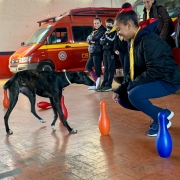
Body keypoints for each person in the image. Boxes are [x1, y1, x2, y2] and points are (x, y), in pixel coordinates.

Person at [112, 6, 180, 137]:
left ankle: (162, 121)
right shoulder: (133, 42)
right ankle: (162, 113)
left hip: (168, 79)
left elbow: (156, 70)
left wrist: (133, 85)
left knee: (134, 95)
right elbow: (132, 72)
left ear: (129, 25)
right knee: (123, 99)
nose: (118, 33)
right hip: (157, 76)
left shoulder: (148, 40)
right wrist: (121, 89)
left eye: (119, 29)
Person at [86, 17, 106, 90]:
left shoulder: (102, 30)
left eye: (97, 23)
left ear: (101, 23)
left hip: (98, 52)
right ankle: (96, 82)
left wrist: (91, 39)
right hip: (92, 51)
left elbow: (95, 37)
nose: (96, 24)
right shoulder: (94, 30)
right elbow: (88, 38)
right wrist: (91, 40)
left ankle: (97, 85)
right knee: (88, 66)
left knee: (97, 69)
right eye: (95, 23)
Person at [97, 18, 116, 92]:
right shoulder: (106, 32)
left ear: (113, 24)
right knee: (105, 69)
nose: (108, 26)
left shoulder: (114, 32)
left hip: (110, 52)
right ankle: (104, 84)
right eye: (107, 25)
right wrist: (106, 39)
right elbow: (101, 41)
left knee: (110, 70)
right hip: (105, 52)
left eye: (109, 25)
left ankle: (109, 85)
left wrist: (106, 38)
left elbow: (111, 41)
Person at [114, 3, 131, 81]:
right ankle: (125, 82)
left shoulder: (129, 20)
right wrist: (116, 48)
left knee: (127, 67)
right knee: (124, 67)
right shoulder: (119, 22)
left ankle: (127, 82)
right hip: (121, 50)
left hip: (127, 49)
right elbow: (116, 38)